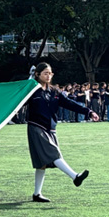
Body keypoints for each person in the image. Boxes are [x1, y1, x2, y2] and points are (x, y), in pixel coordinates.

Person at [26, 63, 95, 202]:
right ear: (37, 74)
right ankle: (75, 177)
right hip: (36, 127)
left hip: (51, 128)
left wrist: (88, 111)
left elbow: (69, 103)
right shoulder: (31, 90)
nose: (48, 75)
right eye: (45, 73)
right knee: (53, 153)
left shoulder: (54, 91)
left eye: (50, 73)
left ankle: (37, 194)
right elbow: (16, 102)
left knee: (42, 163)